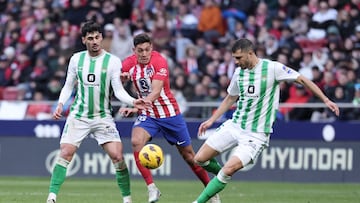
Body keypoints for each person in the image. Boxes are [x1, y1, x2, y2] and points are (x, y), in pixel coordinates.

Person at [192, 38, 340, 203]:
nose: (236, 62)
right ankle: (216, 184)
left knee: (229, 169)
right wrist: (212, 119)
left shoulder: (272, 68)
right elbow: (230, 98)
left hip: (256, 134)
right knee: (199, 159)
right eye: (234, 58)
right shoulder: (238, 73)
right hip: (235, 125)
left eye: (239, 58)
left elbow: (302, 79)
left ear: (250, 53)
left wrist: (325, 100)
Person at [46, 21, 150, 203]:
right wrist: (61, 104)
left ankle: (127, 200)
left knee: (118, 155)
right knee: (65, 153)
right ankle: (52, 197)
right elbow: (68, 85)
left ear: (101, 37)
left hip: (103, 117)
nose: (94, 41)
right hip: (79, 115)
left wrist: (134, 101)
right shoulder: (76, 59)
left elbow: (117, 90)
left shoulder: (113, 61)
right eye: (90, 38)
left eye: (97, 37)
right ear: (84, 40)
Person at [119, 33, 220, 203]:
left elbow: (156, 91)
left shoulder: (159, 61)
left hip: (170, 114)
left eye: (147, 49)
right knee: (136, 142)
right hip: (149, 115)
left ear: (152, 48)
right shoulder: (128, 63)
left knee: (190, 157)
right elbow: (116, 83)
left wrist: (136, 106)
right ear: (133, 51)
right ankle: (152, 189)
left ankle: (211, 191)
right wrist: (121, 81)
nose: (144, 54)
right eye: (140, 50)